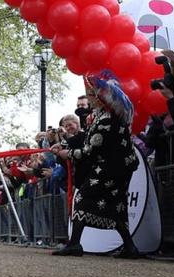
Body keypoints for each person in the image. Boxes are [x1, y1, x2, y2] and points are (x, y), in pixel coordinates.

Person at [50, 70, 140, 259]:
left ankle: (74, 244)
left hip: (112, 168)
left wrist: (70, 154)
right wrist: (65, 143)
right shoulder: (101, 116)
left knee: (83, 197)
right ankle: (130, 247)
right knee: (116, 206)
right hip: (116, 167)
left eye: (91, 94)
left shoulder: (107, 120)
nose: (89, 98)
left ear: (100, 96)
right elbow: (86, 137)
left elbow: (91, 149)